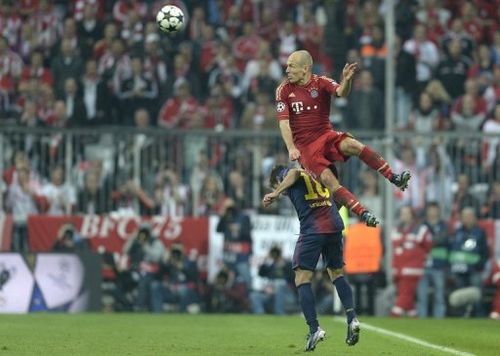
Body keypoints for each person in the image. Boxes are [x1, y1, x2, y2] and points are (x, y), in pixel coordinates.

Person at [276, 50, 411, 227]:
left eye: (291, 66)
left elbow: (341, 92)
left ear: (305, 68)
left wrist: (346, 80)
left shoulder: (321, 82)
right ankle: (363, 213)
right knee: (328, 180)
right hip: (306, 148)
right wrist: (291, 148)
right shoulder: (284, 90)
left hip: (326, 135)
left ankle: (393, 177)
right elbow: (284, 123)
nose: (287, 70)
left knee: (352, 144)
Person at [263, 165, 360, 351]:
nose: (283, 194)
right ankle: (352, 318)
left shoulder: (289, 174)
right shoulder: (316, 172)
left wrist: (276, 192)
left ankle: (314, 329)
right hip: (334, 225)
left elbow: (294, 172)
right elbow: (335, 193)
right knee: (336, 273)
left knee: (301, 277)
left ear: (277, 180)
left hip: (313, 229)